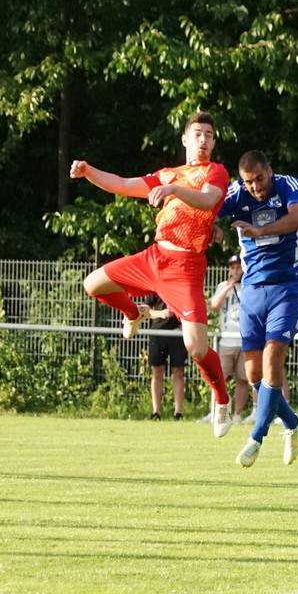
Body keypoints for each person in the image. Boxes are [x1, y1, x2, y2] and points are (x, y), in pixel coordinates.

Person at [70, 111, 234, 438]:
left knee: (197, 348)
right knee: (92, 284)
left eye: (209, 136)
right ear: (185, 139)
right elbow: (122, 184)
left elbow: (206, 201)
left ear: (214, 143)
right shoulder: (169, 172)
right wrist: (88, 172)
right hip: (154, 256)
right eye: (197, 134)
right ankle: (136, 311)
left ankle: (222, 399)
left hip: (186, 267)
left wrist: (172, 190)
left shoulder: (215, 172)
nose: (203, 141)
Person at [216, 150, 298, 469]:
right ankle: (293, 423)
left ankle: (256, 438)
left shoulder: (287, 185)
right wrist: (211, 228)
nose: (255, 187)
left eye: (259, 178)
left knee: (273, 361)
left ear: (269, 171)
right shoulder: (236, 192)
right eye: (249, 181)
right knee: (253, 373)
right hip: (253, 290)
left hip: (288, 284)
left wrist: (261, 231)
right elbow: (211, 210)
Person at [209, 254, 251, 423]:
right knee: (220, 379)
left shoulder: (249, 286)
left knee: (243, 379)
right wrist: (228, 288)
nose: (236, 271)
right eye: (232, 267)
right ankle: (217, 412)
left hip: (244, 340)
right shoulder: (222, 286)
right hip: (226, 341)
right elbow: (213, 306)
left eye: (238, 267)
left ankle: (238, 415)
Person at [144, 294, 187, 421]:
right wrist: (160, 314)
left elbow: (188, 306)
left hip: (177, 333)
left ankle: (178, 412)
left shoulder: (178, 284)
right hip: (158, 333)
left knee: (178, 372)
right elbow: (146, 311)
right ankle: (156, 411)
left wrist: (184, 323)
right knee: (157, 372)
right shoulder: (154, 287)